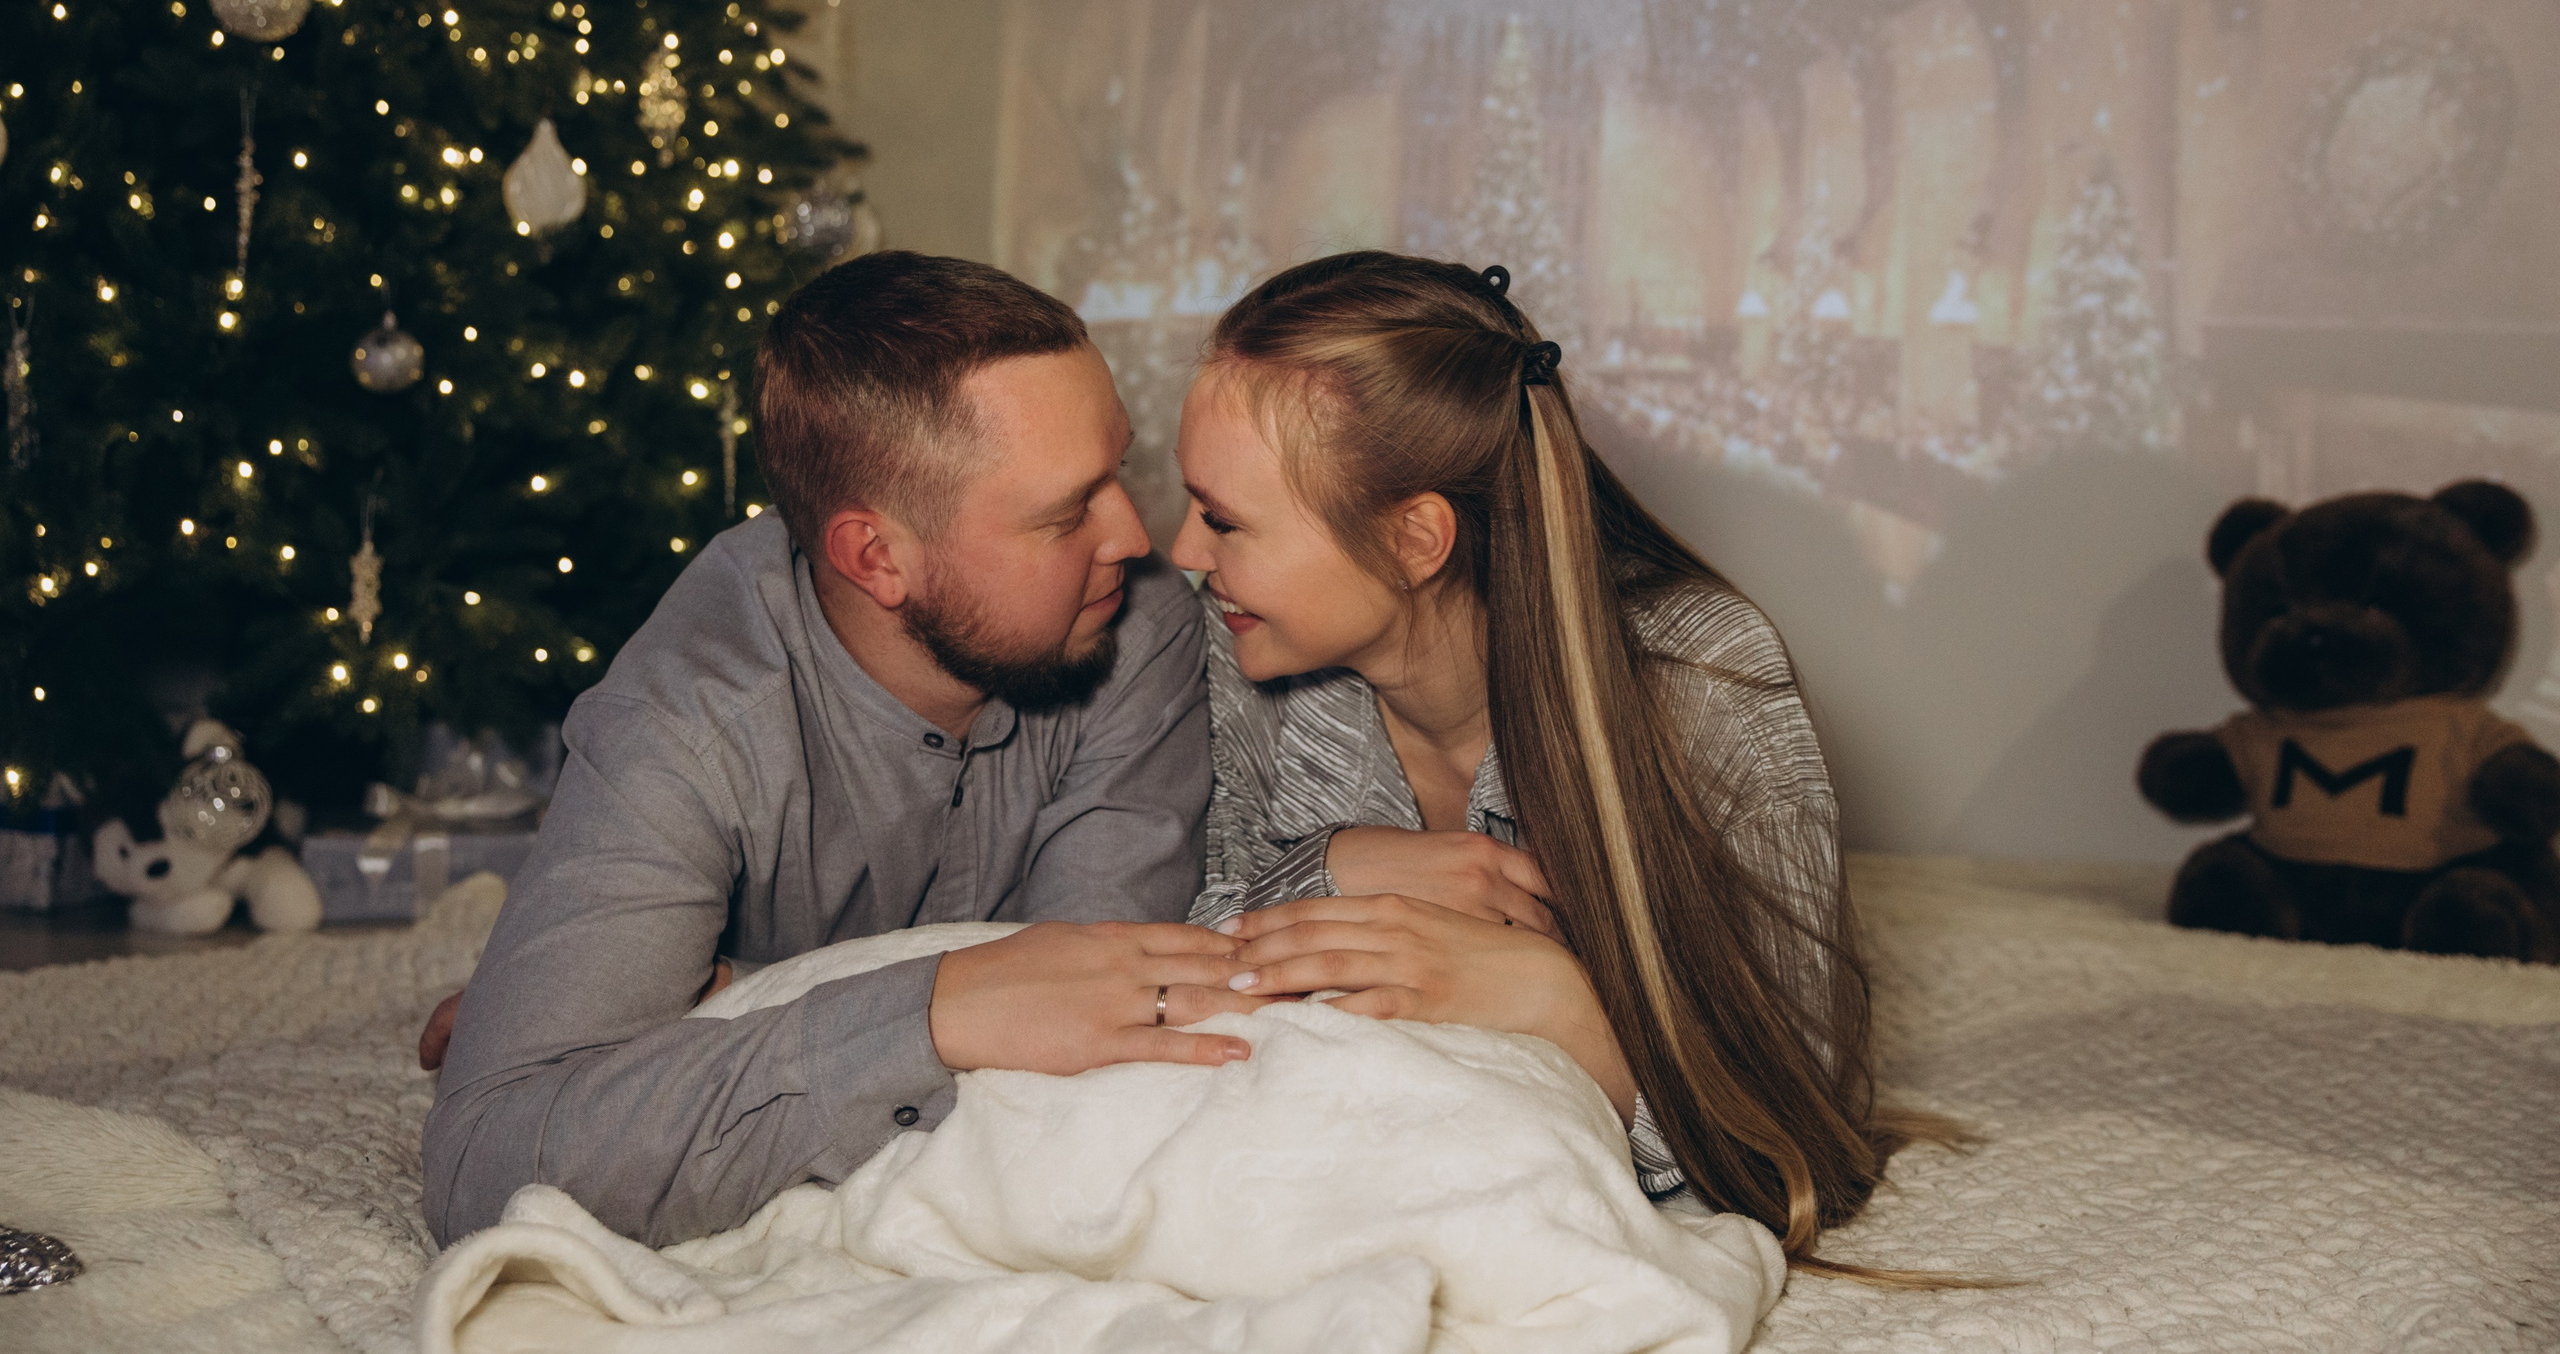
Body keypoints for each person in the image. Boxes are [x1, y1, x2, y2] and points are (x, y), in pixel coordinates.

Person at [421, 252, 1268, 1249]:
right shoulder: (693, 719)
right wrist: (927, 1016)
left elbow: (1104, 1015)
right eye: (1063, 512)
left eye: (1117, 472)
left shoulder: (1135, 622)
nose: (1137, 536)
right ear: (878, 559)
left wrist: (728, 1012)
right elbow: (483, 1167)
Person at [1170, 251, 1930, 1275]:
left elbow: (1805, 1127)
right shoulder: (1243, 643)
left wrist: (1564, 1010)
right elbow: (1163, 948)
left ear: (1414, 539)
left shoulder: (1706, 681)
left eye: (1223, 519)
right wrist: (1333, 864)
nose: (1182, 551)